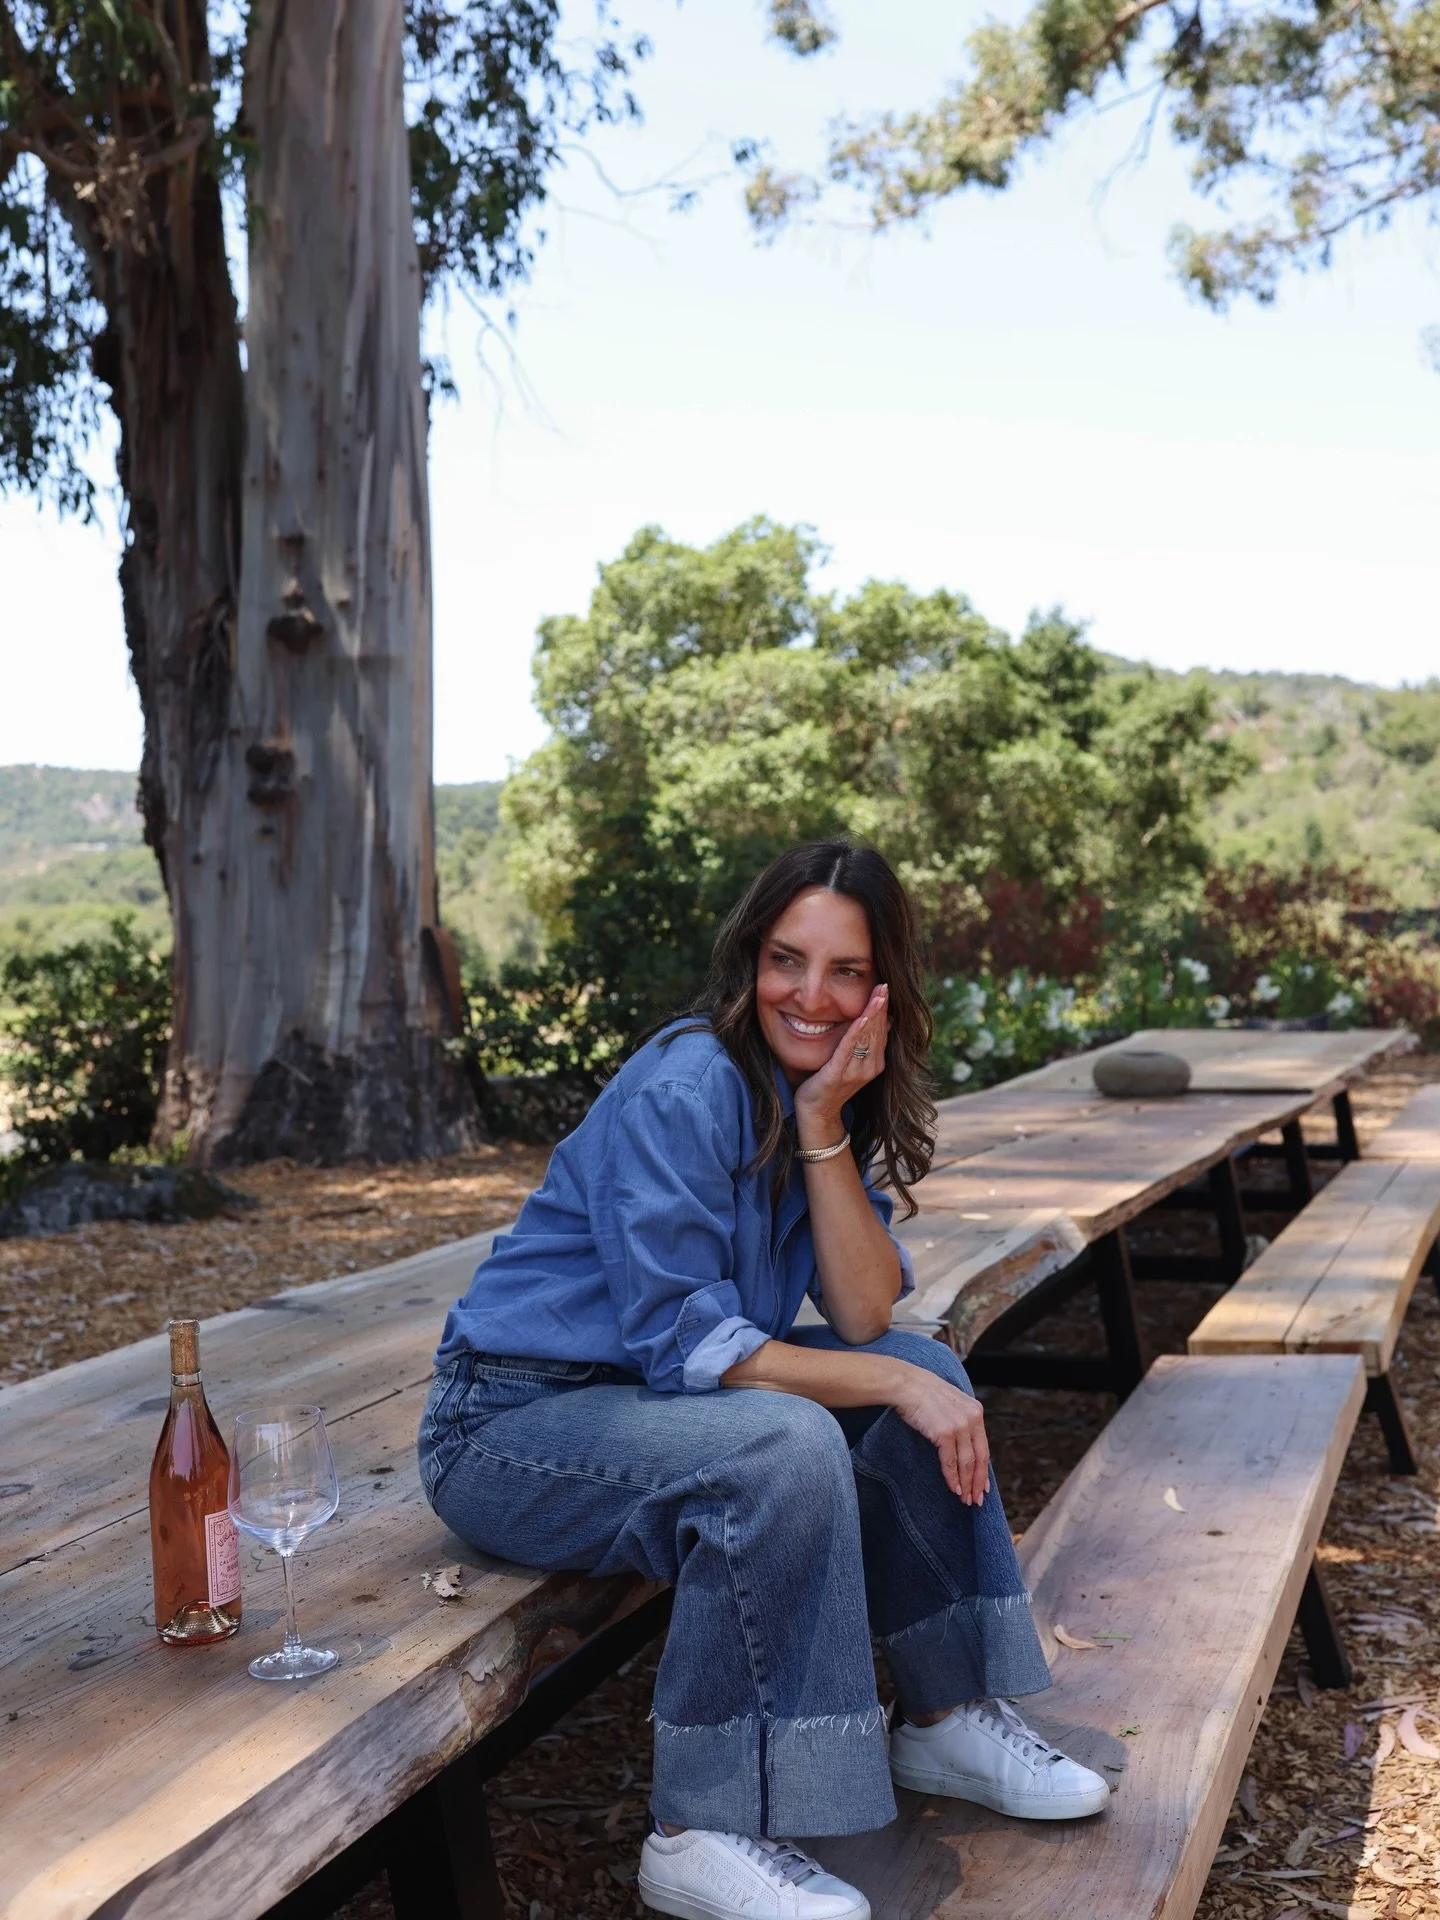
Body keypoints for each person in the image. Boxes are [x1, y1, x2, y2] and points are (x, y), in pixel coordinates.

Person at [418, 841, 1108, 1920]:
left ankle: (946, 1718)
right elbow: (683, 1342)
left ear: (883, 988)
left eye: (845, 972)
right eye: (790, 960)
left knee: (916, 1364)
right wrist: (886, 1387)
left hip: (645, 1408)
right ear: (749, 960)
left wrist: (829, 1129)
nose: (811, 995)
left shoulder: (813, 1095)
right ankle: (701, 1828)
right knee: (790, 1442)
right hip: (513, 1423)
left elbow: (867, 1313)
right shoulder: (690, 1085)